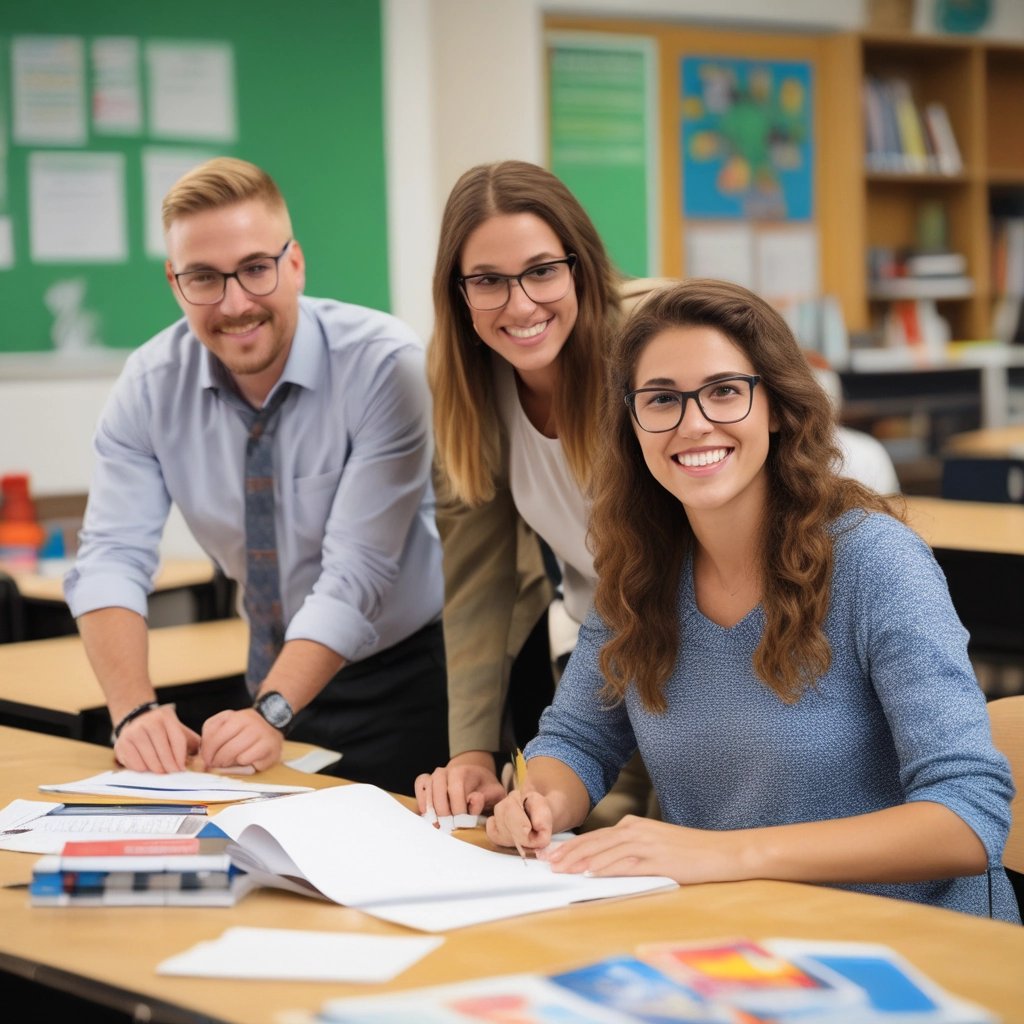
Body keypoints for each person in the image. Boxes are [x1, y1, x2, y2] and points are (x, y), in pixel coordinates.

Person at [485, 279, 1019, 923]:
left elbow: (968, 819)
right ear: (632, 424)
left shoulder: (876, 561)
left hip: (912, 948)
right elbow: (576, 742)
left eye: (724, 392)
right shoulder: (639, 573)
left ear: (775, 405)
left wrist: (726, 854)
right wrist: (538, 799)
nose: (694, 422)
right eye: (661, 400)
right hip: (737, 940)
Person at [64, 157, 448, 796]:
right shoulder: (150, 385)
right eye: (204, 278)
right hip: (268, 680)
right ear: (175, 282)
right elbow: (110, 557)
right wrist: (133, 712)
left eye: (254, 269)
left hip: (403, 678)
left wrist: (273, 709)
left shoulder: (383, 365)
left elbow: (357, 575)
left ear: (293, 264)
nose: (235, 303)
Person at [415, 160, 665, 826]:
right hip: (607, 658)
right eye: (489, 281)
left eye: (541, 271)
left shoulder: (653, 342)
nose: (520, 304)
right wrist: (469, 753)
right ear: (459, 293)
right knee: (588, 849)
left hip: (722, 659)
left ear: (579, 265)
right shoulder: (469, 387)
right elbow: (478, 581)